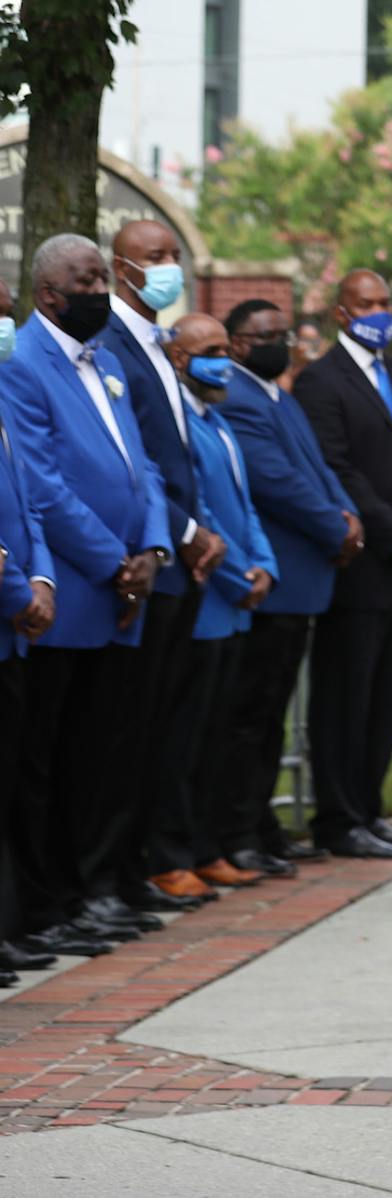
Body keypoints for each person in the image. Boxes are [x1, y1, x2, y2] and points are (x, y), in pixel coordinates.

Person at [0, 233, 174, 952]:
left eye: (105, 275)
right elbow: (42, 485)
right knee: (50, 762)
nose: (103, 289)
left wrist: (153, 547)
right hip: (67, 595)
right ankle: (50, 903)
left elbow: (145, 467)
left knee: (102, 753)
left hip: (123, 589)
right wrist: (112, 561)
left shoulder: (103, 363)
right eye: (88, 278)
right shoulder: (23, 367)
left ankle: (91, 889)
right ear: (47, 293)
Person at [95, 220, 232, 912]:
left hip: (186, 563)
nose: (168, 268)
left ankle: (154, 860)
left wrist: (200, 532)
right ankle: (136, 864)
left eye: (174, 256)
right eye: (155, 258)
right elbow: (138, 459)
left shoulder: (158, 344)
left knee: (170, 723)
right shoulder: (113, 342)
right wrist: (181, 531)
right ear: (122, 267)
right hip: (152, 557)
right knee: (137, 726)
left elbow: (176, 455)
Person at [293, 269, 392, 859]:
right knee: (345, 697)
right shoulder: (320, 383)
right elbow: (338, 470)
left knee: (390, 694)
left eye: (386, 301)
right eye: (367, 304)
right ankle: (339, 818)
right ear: (341, 313)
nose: (380, 312)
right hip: (362, 566)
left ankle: (371, 806)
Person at [215, 299, 363, 873]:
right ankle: (238, 830)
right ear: (234, 343)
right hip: (273, 583)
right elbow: (274, 480)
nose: (280, 343)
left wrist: (349, 515)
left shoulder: (281, 394)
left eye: (284, 332)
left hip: (306, 581)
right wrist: (334, 526)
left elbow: (319, 470)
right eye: (265, 335)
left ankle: (262, 823)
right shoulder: (237, 396)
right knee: (249, 716)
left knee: (271, 712)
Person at [144, 314, 277, 896]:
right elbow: (205, 519)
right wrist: (231, 576)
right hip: (208, 598)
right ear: (179, 359)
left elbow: (245, 510)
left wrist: (264, 566)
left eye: (226, 349)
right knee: (183, 736)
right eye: (212, 350)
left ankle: (207, 846)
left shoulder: (218, 423)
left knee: (218, 733)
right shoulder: (185, 431)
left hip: (238, 603)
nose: (224, 360)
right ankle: (170, 853)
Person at [0, 276, 67, 978]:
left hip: (14, 620)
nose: (6, 326)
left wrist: (41, 579)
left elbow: (29, 509)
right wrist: (20, 589)